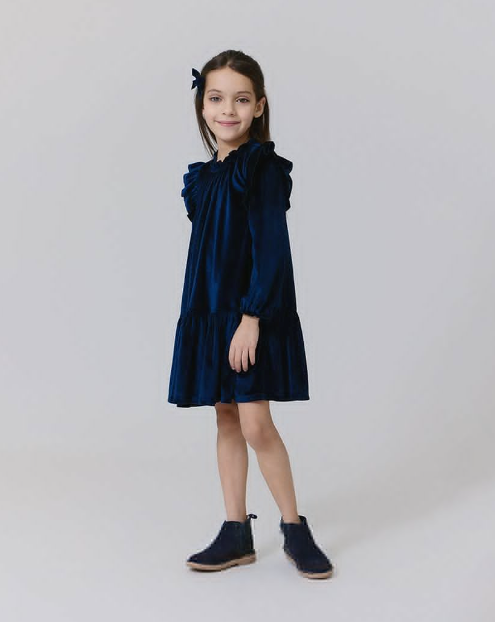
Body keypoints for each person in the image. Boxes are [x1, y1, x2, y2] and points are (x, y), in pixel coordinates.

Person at [168, 50, 333, 580]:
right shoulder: (203, 178)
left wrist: (252, 316)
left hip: (246, 315)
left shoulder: (261, 168)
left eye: (241, 100)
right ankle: (236, 530)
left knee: (256, 422)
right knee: (225, 416)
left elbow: (271, 248)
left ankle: (295, 528)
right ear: (202, 106)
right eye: (216, 98)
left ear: (259, 106)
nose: (228, 110)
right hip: (209, 311)